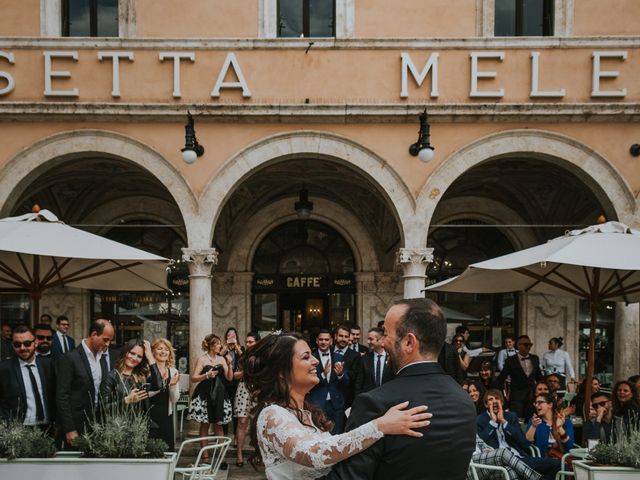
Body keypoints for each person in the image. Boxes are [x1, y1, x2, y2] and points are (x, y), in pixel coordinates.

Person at [243, 331, 432, 480]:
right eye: (306, 357)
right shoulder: (272, 414)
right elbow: (314, 453)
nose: (315, 361)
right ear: (281, 372)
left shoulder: (306, 413)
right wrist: (380, 426)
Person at [326, 298, 477, 480]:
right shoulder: (464, 399)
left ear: (409, 343)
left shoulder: (374, 403)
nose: (383, 343)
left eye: (386, 335)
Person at [56, 318, 115, 447]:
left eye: (110, 340)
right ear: (94, 334)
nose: (108, 344)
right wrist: (69, 428)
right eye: (106, 339)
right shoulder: (69, 358)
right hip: (77, 426)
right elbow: (62, 396)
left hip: (100, 425)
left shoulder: (103, 359)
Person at [477, 389, 561, 480]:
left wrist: (504, 422)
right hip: (498, 462)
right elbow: (481, 443)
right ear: (486, 404)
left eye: (497, 399)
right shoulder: (480, 420)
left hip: (519, 458)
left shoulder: (511, 416)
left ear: (502, 402)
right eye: (490, 399)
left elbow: (523, 442)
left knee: (558, 465)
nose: (494, 402)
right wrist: (493, 423)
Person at [187, 334, 233, 460]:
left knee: (219, 424)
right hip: (204, 394)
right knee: (205, 424)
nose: (220, 346)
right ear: (212, 346)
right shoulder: (202, 359)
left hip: (220, 394)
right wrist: (206, 375)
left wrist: (229, 365)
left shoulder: (222, 359)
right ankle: (205, 456)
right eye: (218, 343)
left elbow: (229, 378)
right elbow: (194, 378)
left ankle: (221, 457)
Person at [0, 325, 55, 428]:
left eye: (27, 344)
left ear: (35, 343)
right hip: (19, 429)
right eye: (17, 344)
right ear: (12, 345)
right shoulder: (4, 369)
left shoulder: (48, 365)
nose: (22, 348)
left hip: (47, 427)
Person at [99, 339, 160, 412]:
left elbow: (158, 386)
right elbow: (103, 408)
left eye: (139, 356)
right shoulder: (112, 377)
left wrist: (150, 356)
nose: (134, 358)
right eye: (132, 353)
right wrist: (126, 400)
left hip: (142, 422)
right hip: (122, 422)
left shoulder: (142, 375)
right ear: (125, 352)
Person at [309, 328, 349, 433]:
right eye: (321, 339)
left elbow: (347, 382)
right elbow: (308, 382)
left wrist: (340, 374)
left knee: (338, 434)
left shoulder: (339, 357)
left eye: (326, 340)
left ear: (331, 341)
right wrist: (323, 375)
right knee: (318, 434)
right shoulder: (311, 358)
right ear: (317, 341)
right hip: (317, 403)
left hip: (336, 403)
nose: (323, 342)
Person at [497, 335, 542, 417]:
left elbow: (539, 378)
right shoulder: (510, 360)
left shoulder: (535, 358)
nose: (528, 347)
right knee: (516, 421)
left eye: (530, 344)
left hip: (532, 397)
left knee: (531, 421)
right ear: (518, 345)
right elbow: (501, 379)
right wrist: (503, 398)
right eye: (525, 344)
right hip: (516, 397)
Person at [148, 338, 180, 451]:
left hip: (166, 415)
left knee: (167, 449)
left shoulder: (173, 371)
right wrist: (163, 385)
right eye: (160, 348)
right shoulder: (146, 370)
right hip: (148, 415)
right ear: (152, 352)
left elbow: (175, 399)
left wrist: (172, 386)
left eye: (166, 349)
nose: (163, 352)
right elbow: (145, 394)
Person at [234, 331, 259, 467]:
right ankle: (239, 454)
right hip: (243, 388)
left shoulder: (263, 356)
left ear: (257, 342)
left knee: (257, 423)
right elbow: (235, 375)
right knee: (242, 422)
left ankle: (258, 454)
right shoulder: (242, 357)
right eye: (247, 342)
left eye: (251, 342)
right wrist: (245, 372)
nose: (248, 344)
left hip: (258, 390)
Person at [470, 435, 541, 480]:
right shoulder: (459, 429)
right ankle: (536, 478)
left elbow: (483, 444)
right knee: (502, 453)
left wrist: (488, 449)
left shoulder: (471, 429)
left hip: (482, 463)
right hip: (468, 466)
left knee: (508, 470)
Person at [525, 393, 574, 457]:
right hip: (543, 460)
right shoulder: (535, 421)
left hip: (562, 460)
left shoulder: (565, 421)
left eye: (540, 402)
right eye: (536, 403)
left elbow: (569, 446)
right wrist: (533, 426)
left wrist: (559, 427)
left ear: (550, 405)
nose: (537, 405)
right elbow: (527, 444)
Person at [355, 327, 392, 396]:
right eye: (368, 339)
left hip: (388, 399)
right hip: (369, 400)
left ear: (381, 340)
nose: (368, 342)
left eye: (371, 339)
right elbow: (359, 383)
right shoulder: (364, 359)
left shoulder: (392, 358)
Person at [333, 324, 362, 408]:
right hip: (326, 400)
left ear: (349, 338)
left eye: (346, 337)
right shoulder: (328, 351)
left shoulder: (355, 355)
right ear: (335, 336)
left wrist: (341, 374)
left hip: (345, 400)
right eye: (341, 336)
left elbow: (354, 377)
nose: (343, 339)